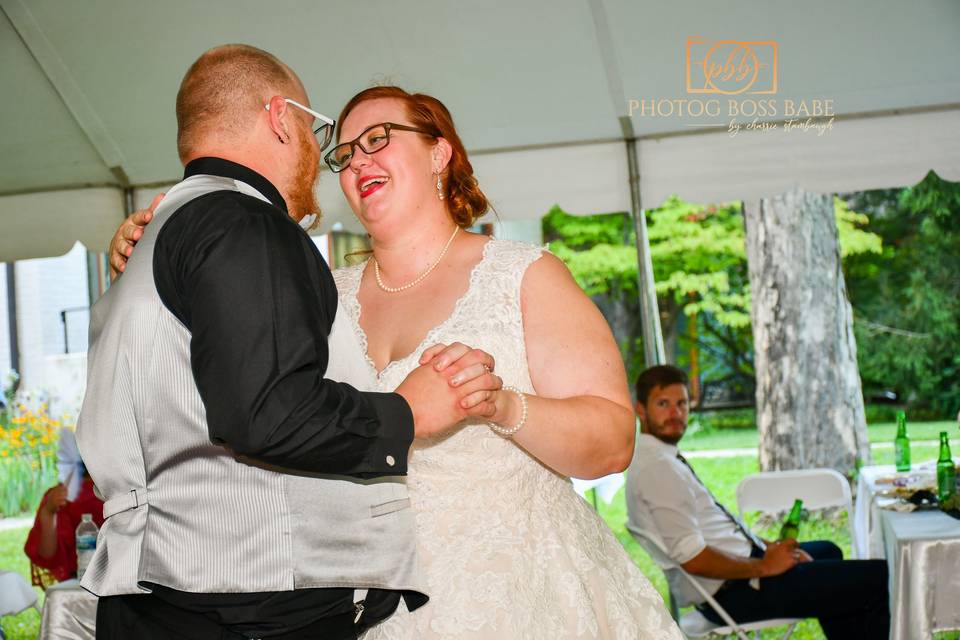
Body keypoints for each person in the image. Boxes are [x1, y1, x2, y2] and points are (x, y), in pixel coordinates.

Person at [111, 85, 683, 639]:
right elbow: (239, 391)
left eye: (379, 138)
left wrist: (503, 405)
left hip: (521, 591)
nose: (358, 160)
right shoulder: (317, 290)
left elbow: (613, 444)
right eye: (344, 152)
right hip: (364, 603)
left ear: (439, 151)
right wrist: (155, 261)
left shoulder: (523, 274)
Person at [80, 46, 501, 640]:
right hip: (248, 602)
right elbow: (266, 413)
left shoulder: (164, 232)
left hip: (159, 595)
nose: (328, 160)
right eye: (317, 130)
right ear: (281, 118)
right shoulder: (246, 224)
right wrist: (409, 413)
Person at [625, 365, 890, 639]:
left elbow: (710, 533)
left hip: (738, 575)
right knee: (880, 578)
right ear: (641, 410)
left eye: (681, 403)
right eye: (663, 404)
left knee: (828, 551)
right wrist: (765, 566)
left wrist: (765, 548)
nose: (676, 414)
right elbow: (694, 560)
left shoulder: (659, 457)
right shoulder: (658, 469)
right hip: (731, 594)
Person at [24, 430, 104, 587]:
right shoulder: (60, 498)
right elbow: (48, 554)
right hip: (82, 582)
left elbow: (47, 555)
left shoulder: (120, 492)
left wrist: (48, 512)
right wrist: (49, 511)